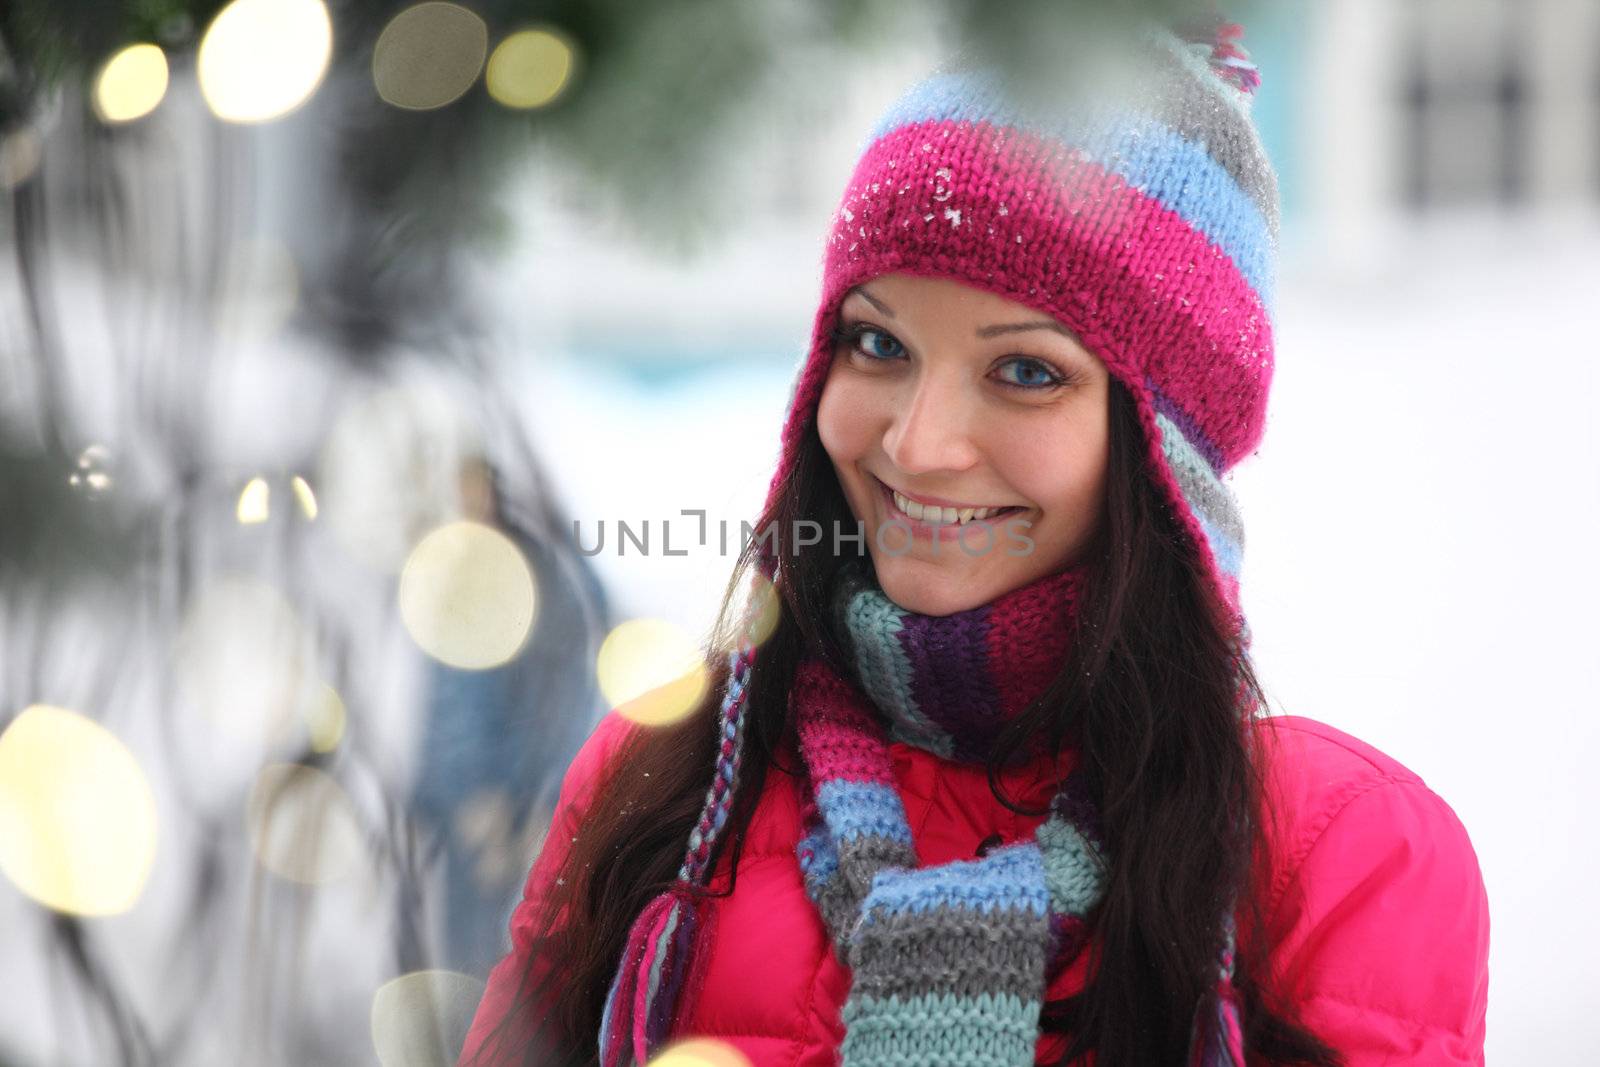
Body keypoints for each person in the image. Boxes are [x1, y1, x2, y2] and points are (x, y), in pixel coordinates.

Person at [459, 19, 1490, 1067]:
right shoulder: (671, 776)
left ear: (1165, 448)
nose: (917, 442)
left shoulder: (1339, 850)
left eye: (1026, 371)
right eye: (877, 343)